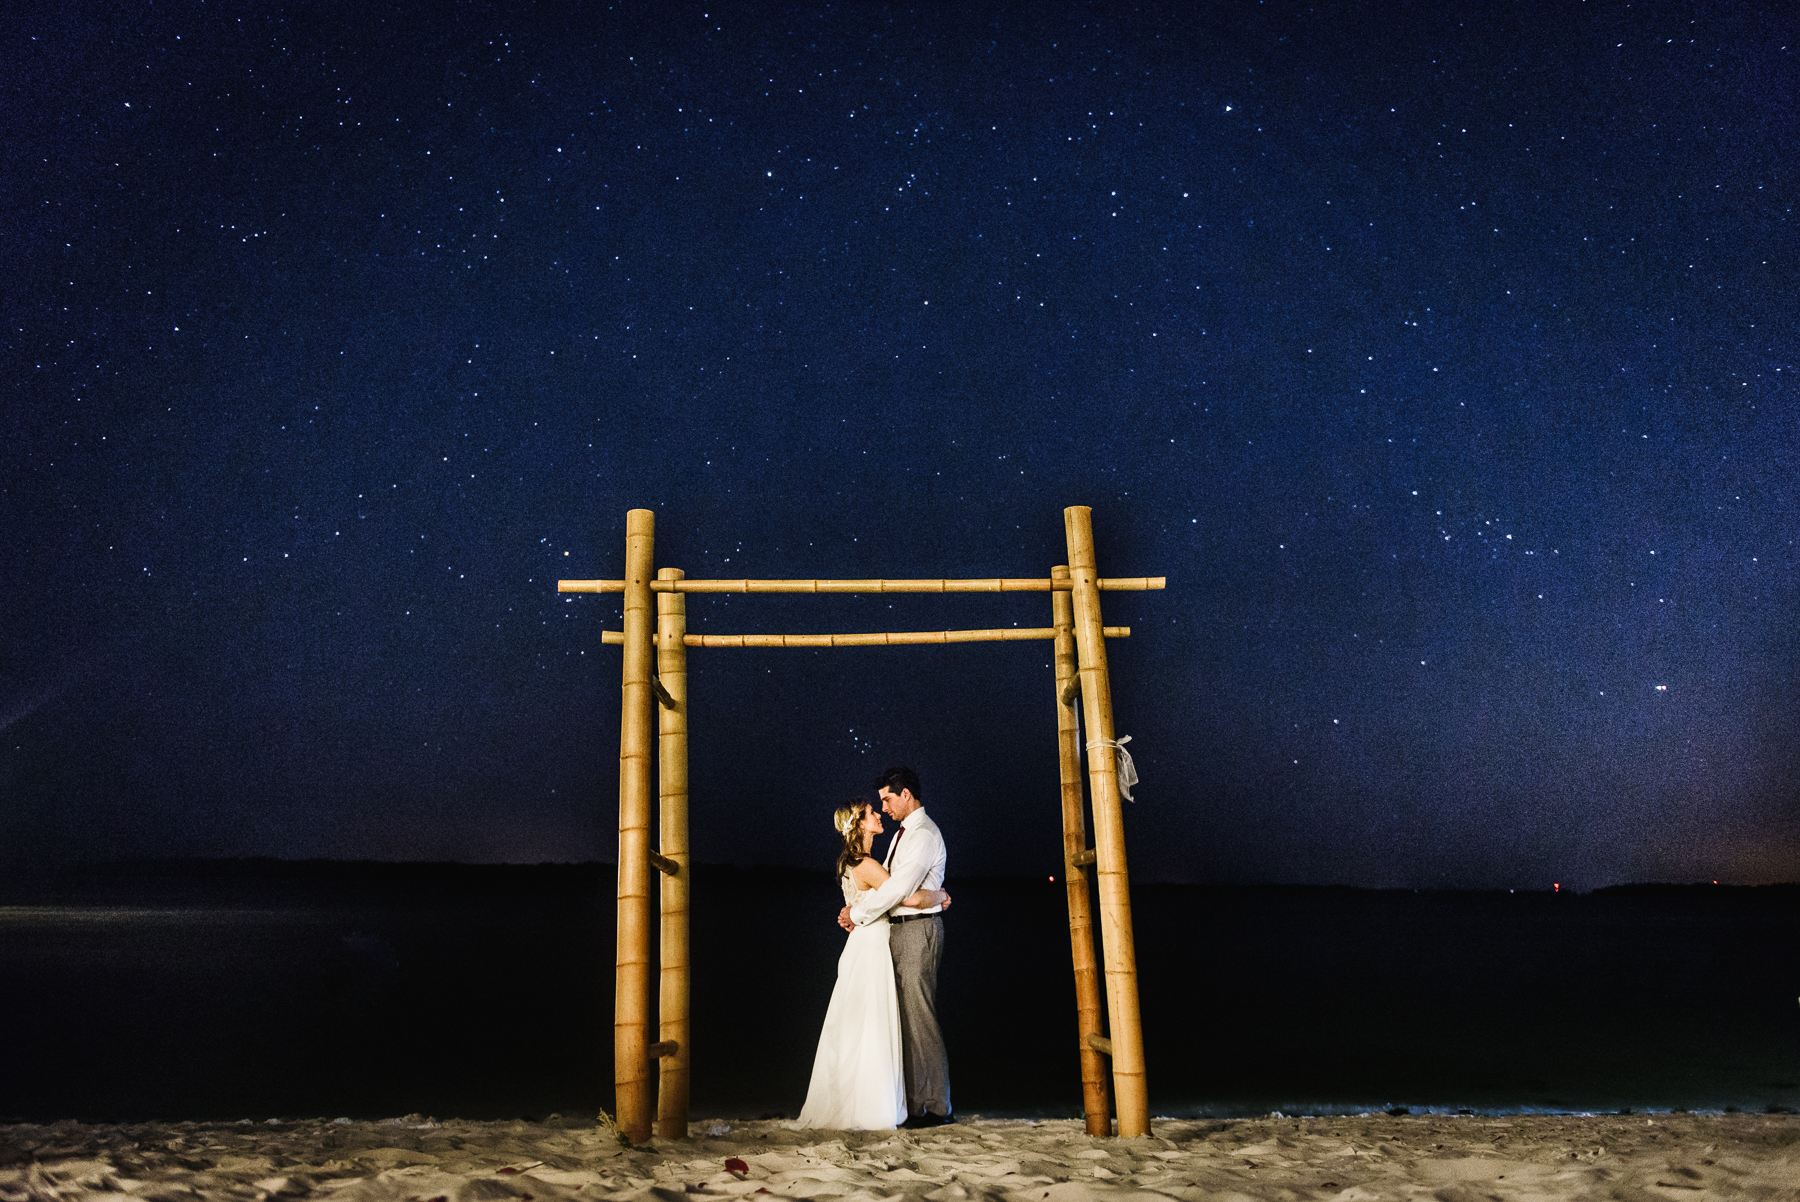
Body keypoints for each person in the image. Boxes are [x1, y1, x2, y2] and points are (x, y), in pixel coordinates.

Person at [797, 799, 949, 1129]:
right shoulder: (865, 863)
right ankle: (875, 1104)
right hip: (872, 946)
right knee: (874, 1022)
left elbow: (869, 901)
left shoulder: (852, 862)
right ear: (860, 824)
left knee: (859, 1022)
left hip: (863, 943)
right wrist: (940, 896)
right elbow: (904, 896)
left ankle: (865, 1099)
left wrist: (853, 914)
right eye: (870, 813)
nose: (878, 814)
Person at [838, 766, 952, 1128]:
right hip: (897, 931)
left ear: (906, 795)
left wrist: (857, 911)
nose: (883, 806)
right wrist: (935, 896)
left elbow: (897, 891)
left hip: (917, 932)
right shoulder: (902, 835)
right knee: (903, 1019)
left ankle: (936, 1107)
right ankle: (913, 1105)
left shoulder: (923, 835)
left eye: (887, 799)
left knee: (920, 1018)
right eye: (879, 804)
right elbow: (896, 891)